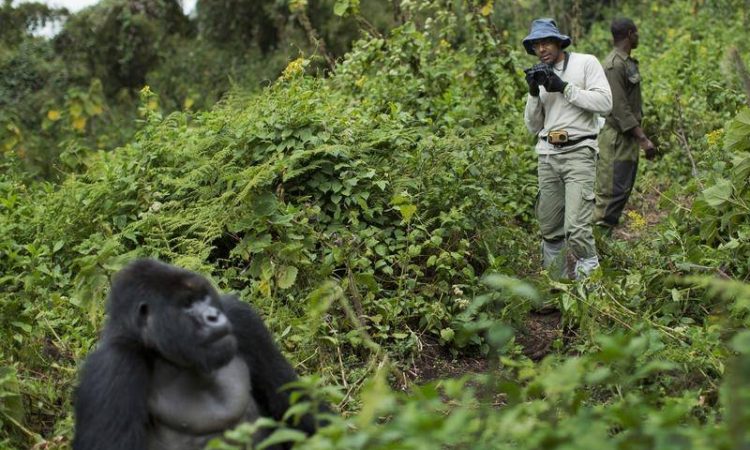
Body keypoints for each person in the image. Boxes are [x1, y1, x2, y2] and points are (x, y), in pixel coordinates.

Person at [522, 18, 612, 279]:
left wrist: (563, 88)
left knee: (576, 229)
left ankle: (588, 297)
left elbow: (605, 103)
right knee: (550, 229)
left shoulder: (586, 63)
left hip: (579, 152)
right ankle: (556, 291)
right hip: (547, 156)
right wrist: (533, 92)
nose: (542, 49)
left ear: (559, 42)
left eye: (546, 42)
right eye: (536, 45)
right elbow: (533, 126)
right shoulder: (539, 72)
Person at [594, 18, 656, 230]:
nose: (638, 37)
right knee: (610, 193)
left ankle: (603, 244)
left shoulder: (627, 62)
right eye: (636, 33)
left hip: (626, 138)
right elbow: (619, 108)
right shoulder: (614, 66)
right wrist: (643, 139)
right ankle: (591, 248)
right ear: (630, 34)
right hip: (616, 140)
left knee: (622, 191)